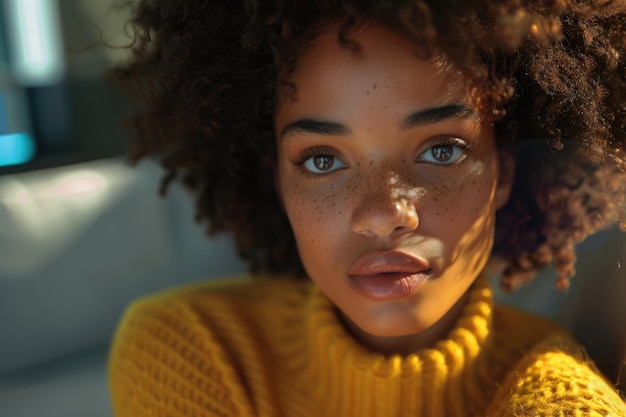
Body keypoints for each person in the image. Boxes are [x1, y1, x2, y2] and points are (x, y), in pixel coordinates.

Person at [108, 0, 626, 415]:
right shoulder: (189, 349)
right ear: (280, 186)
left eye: (441, 150)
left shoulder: (560, 400)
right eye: (321, 160)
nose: (383, 212)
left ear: (504, 174)